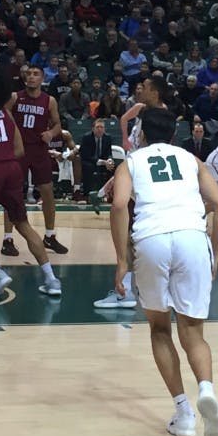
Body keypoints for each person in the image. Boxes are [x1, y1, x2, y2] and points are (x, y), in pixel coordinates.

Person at [109, 107, 218, 436]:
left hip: (152, 239)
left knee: (160, 328)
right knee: (193, 331)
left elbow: (119, 206)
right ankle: (206, 389)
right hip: (193, 237)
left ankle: (184, 413)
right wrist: (215, 253)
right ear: (174, 136)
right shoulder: (192, 159)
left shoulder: (130, 162)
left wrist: (121, 261)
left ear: (142, 135)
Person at [0, 60, 62, 299]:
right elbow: (18, 149)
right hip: (12, 169)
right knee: (23, 224)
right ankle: (51, 279)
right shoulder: (6, 113)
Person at [92, 76, 172, 309]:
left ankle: (130, 290)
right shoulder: (141, 110)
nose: (139, 91)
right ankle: (128, 288)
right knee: (131, 235)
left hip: (144, 180)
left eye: (144, 88)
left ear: (155, 93)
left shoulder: (162, 117)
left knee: (136, 234)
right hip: (136, 172)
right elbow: (125, 122)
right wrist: (126, 141)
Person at [1, 64, 70, 257]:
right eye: (29, 74)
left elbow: (57, 124)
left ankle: (50, 235)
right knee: (13, 194)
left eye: (35, 74)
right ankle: (7, 238)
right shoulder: (15, 97)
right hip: (18, 150)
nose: (31, 77)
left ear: (42, 78)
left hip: (39, 150)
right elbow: (3, 113)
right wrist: (13, 129)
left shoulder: (50, 101)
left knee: (47, 192)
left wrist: (51, 132)